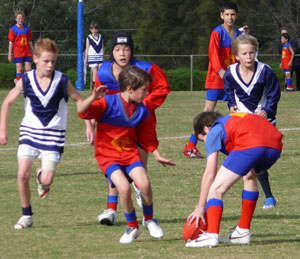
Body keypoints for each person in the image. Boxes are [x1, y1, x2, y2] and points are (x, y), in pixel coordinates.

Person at [78, 65, 175, 243]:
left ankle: (149, 220)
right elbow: (82, 111)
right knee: (123, 188)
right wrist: (93, 97)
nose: (147, 93)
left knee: (144, 184)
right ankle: (132, 227)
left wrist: (157, 154)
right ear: (130, 89)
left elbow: (148, 137)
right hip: (108, 156)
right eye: (144, 89)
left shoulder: (142, 109)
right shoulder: (108, 103)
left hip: (130, 155)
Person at [85, 31, 171, 225]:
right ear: (111, 52)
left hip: (139, 125)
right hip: (112, 129)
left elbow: (163, 87)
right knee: (115, 167)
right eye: (117, 49)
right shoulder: (104, 71)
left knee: (138, 166)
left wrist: (144, 105)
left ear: (132, 51)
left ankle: (142, 201)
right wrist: (90, 125)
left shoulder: (145, 69)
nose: (122, 53)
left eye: (126, 48)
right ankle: (111, 209)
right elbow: (95, 98)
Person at [0, 38, 85, 229]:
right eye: (46, 61)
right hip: (29, 131)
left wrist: (89, 125)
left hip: (54, 134)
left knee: (47, 180)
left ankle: (41, 178)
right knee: (22, 174)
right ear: (35, 59)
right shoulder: (26, 79)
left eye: (53, 61)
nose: (50, 65)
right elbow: (7, 102)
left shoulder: (62, 80)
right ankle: (26, 215)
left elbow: (80, 101)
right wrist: (2, 129)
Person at [185, 112, 283, 248]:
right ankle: (242, 232)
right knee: (249, 176)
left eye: (202, 139)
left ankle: (211, 235)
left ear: (206, 128)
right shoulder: (234, 120)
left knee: (216, 189)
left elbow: (210, 172)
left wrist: (201, 207)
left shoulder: (214, 129)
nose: (206, 144)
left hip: (252, 144)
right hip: (275, 145)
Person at [223, 34, 281, 209]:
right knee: (249, 164)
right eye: (245, 53)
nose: (249, 57)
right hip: (243, 121)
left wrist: (267, 110)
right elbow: (228, 90)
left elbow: (274, 95)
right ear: (236, 56)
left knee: (256, 162)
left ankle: (268, 197)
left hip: (264, 122)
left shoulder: (265, 71)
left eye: (252, 53)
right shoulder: (231, 72)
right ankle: (264, 198)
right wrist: (231, 105)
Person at [183, 2, 241, 159]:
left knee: (235, 110)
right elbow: (213, 55)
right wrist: (221, 72)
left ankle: (238, 145)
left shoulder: (238, 34)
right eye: (227, 14)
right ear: (221, 15)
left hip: (232, 79)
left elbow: (241, 54)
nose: (230, 17)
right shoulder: (216, 33)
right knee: (207, 114)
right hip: (217, 78)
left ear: (237, 16)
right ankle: (190, 146)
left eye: (233, 14)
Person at [8, 10, 34, 83]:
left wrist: (33, 52)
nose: (20, 20)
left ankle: (24, 83)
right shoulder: (12, 30)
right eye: (19, 18)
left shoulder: (27, 29)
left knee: (28, 69)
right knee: (19, 69)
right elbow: (11, 43)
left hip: (26, 52)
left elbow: (30, 41)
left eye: (22, 18)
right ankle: (19, 84)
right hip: (18, 52)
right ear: (16, 19)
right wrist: (10, 54)